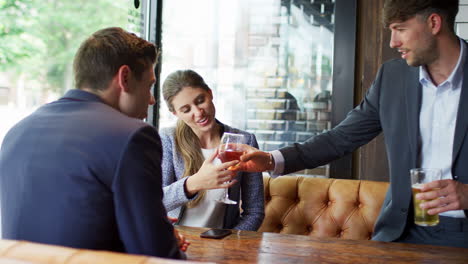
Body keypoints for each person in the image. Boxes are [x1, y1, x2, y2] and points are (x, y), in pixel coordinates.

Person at [235, 0, 468, 248]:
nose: (393, 42)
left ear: (434, 23)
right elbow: (340, 138)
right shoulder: (393, 76)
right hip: (401, 230)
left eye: (400, 29)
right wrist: (271, 160)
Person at [0, 27, 187, 258]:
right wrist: (163, 237)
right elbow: (156, 253)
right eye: (149, 85)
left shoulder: (17, 131)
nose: (151, 100)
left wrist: (158, 227)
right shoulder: (133, 136)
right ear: (125, 78)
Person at [160, 69, 264, 231]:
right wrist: (193, 183)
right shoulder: (168, 139)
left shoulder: (244, 141)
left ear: (210, 93)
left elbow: (255, 211)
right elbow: (156, 200)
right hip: (177, 242)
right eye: (186, 110)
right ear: (175, 113)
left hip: (222, 245)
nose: (198, 112)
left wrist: (229, 242)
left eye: (200, 100)